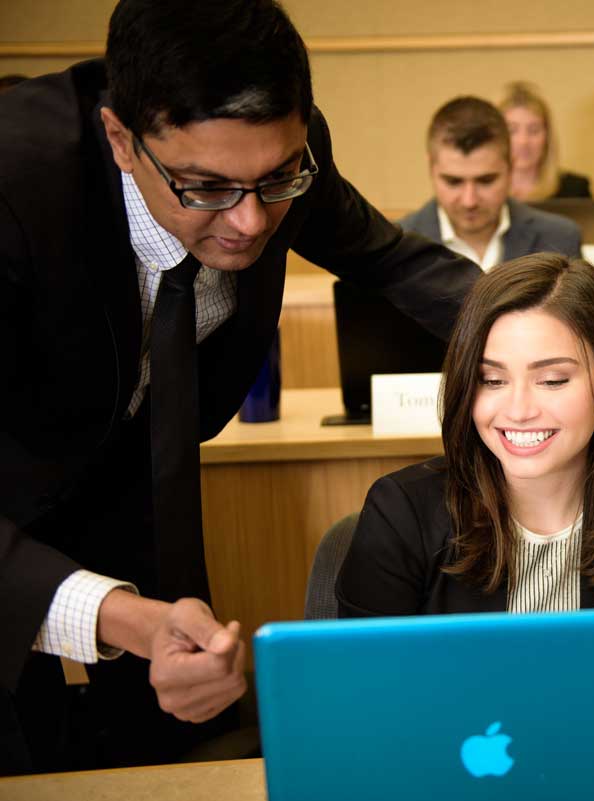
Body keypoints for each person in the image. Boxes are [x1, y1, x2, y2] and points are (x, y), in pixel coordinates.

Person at [0, 0, 480, 774]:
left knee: (165, 731)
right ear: (121, 138)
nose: (253, 222)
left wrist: (563, 335)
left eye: (274, 180)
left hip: (132, 471)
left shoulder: (281, 155)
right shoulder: (15, 186)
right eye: (207, 188)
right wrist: (115, 614)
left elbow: (391, 260)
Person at [336, 254, 594, 618]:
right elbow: (360, 678)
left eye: (552, 381)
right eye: (492, 380)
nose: (518, 410)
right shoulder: (401, 512)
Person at [399, 96, 582, 272]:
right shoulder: (399, 248)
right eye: (453, 182)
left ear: (510, 166)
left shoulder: (559, 239)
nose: (469, 201)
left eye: (486, 181)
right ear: (431, 168)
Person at [499, 81, 594, 201]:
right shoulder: (482, 192)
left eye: (534, 130)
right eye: (512, 130)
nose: (523, 141)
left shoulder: (575, 190)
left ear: (547, 136)